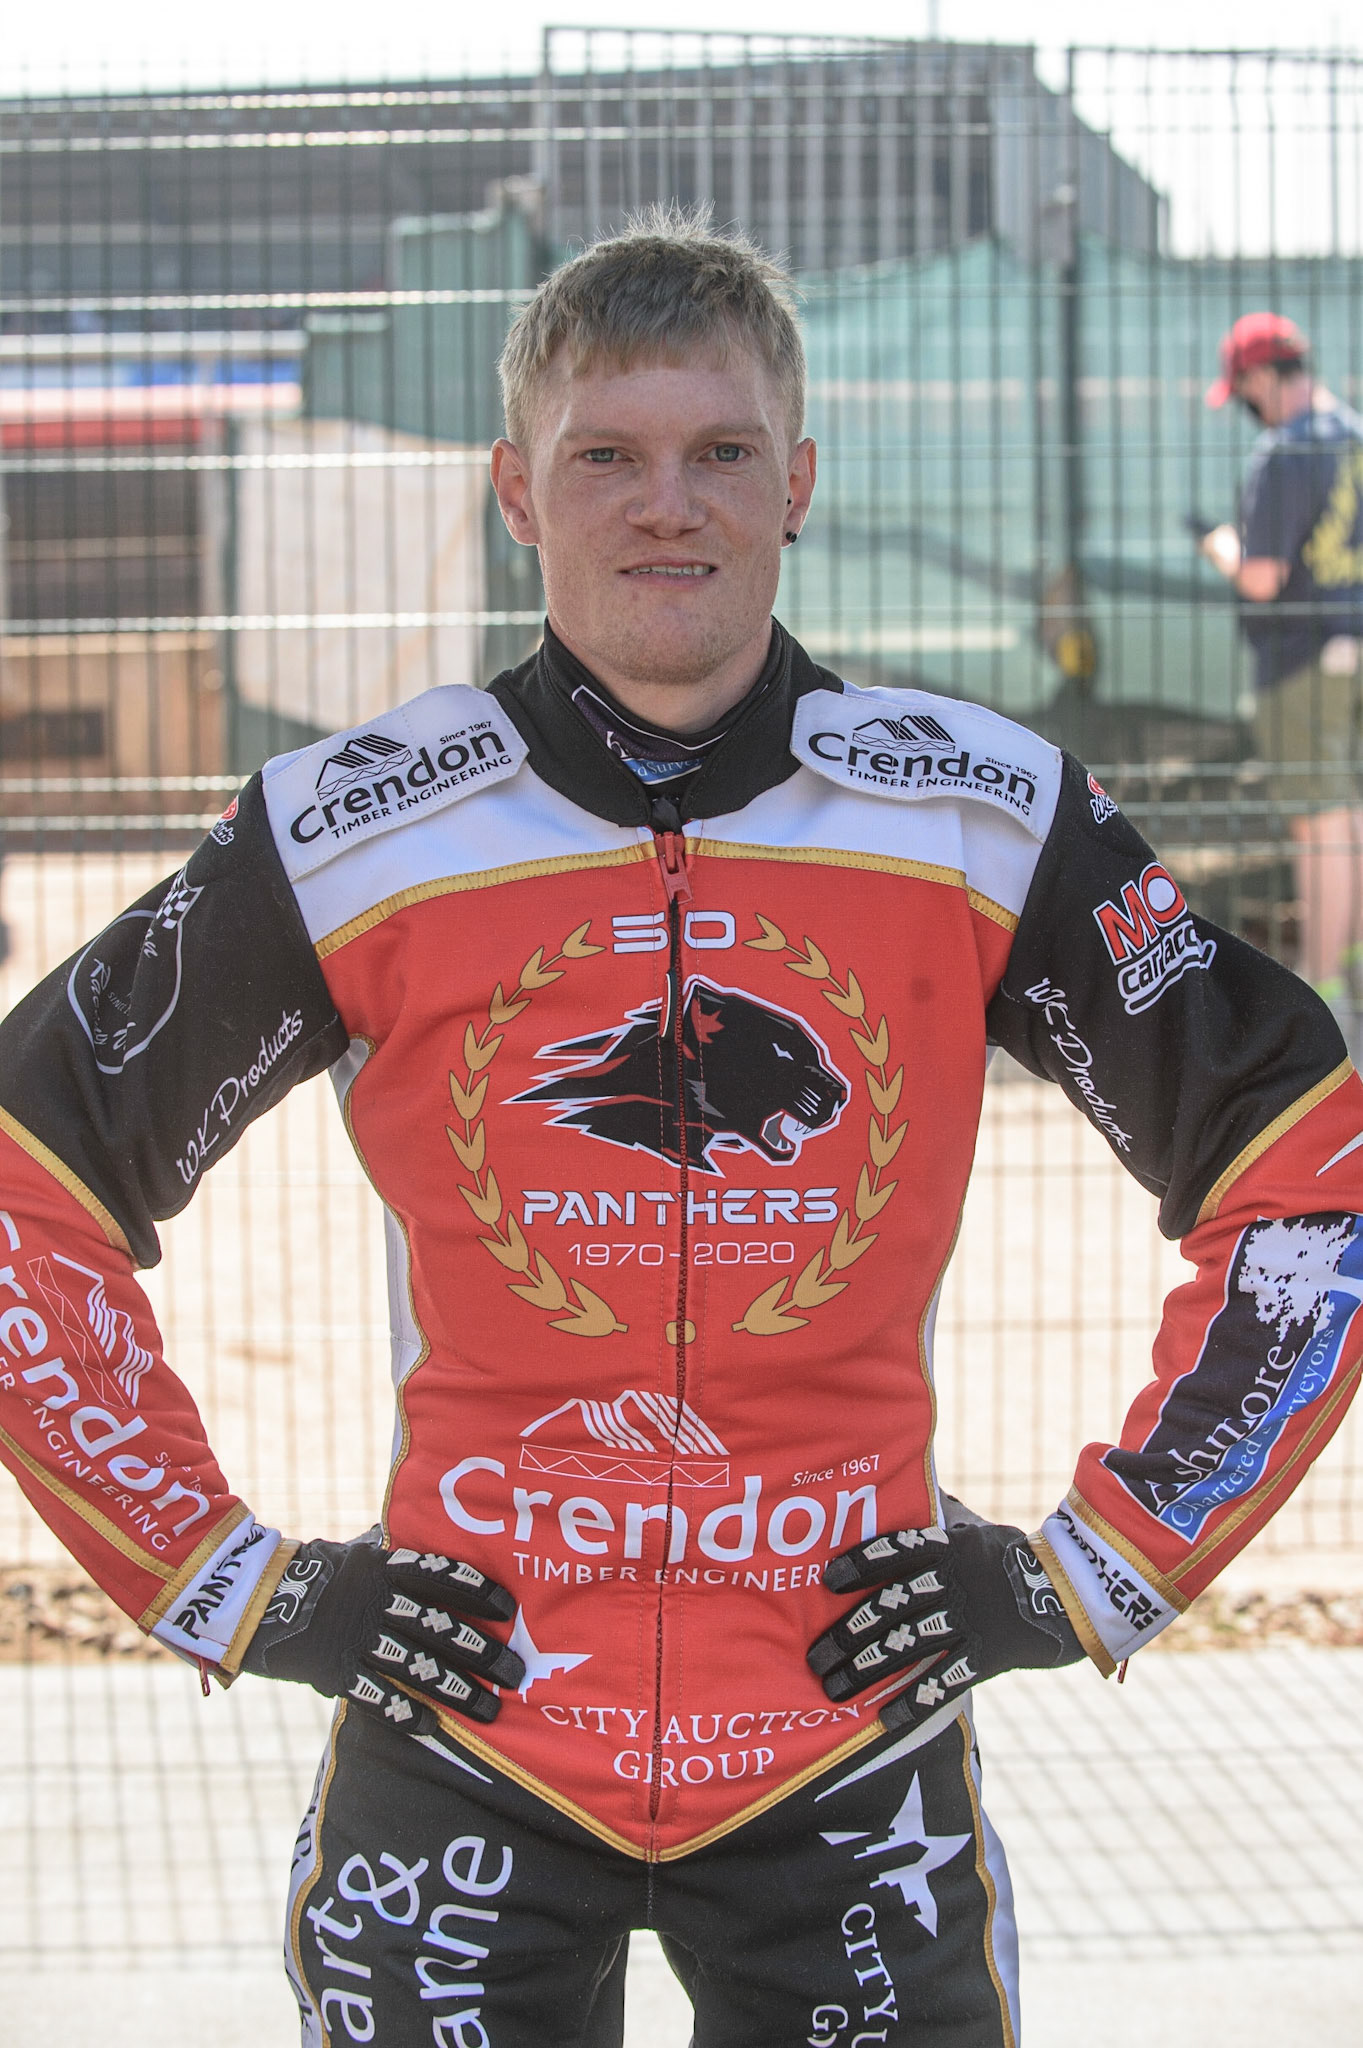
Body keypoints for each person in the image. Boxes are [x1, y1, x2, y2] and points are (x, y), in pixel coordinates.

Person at [1, 216, 1361, 2048]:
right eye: (605, 458)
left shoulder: (981, 811)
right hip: (466, 1735)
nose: (668, 506)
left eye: (719, 452)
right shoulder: (351, 825)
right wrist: (231, 1579)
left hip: (843, 1740)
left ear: (796, 482)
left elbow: (1307, 1174)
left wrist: (1087, 1568)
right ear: (514, 490)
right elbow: (29, 1189)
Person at [1201, 311, 1363, 1013]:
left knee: (1315, 819)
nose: (1246, 404)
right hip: (1346, 645)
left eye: (1244, 389)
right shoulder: (1351, 434)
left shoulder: (1281, 450)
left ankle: (1323, 985)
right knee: (1342, 807)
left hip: (1295, 656)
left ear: (1263, 376)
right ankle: (1347, 950)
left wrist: (1217, 543)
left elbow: (1261, 576)